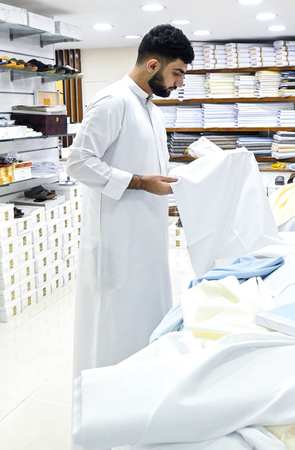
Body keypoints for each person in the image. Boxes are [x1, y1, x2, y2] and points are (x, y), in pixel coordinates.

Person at [66, 24, 194, 378]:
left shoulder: (152, 109)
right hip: (117, 242)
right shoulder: (112, 102)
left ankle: (138, 397)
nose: (179, 83)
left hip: (147, 236)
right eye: (177, 73)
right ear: (153, 65)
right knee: (112, 330)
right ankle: (106, 406)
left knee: (145, 322)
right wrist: (139, 183)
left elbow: (148, 166)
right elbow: (78, 162)